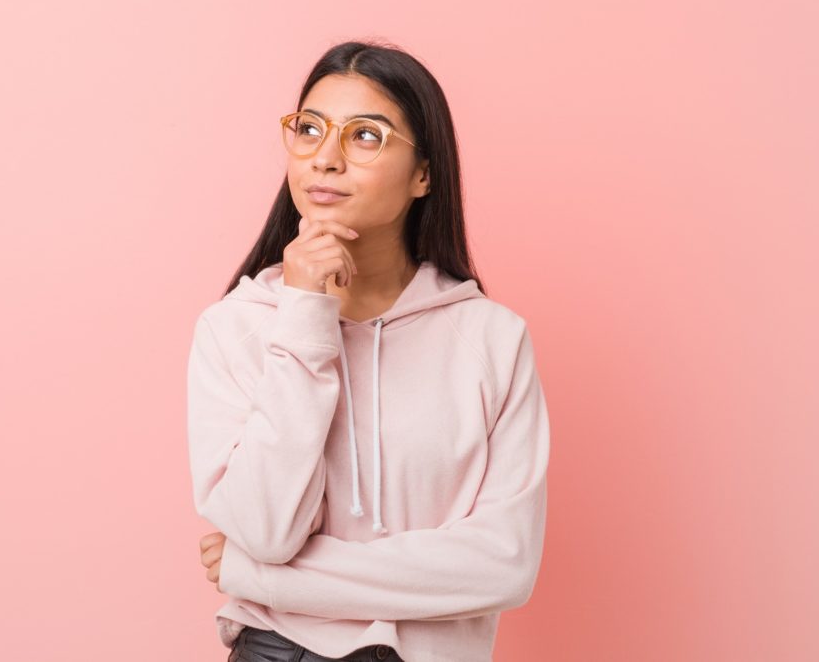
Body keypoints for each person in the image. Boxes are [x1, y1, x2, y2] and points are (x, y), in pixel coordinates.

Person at [187, 39, 551, 662]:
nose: (324, 159)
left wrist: (260, 578)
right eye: (309, 129)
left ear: (424, 173)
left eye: (365, 136)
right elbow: (267, 530)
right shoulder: (234, 329)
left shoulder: (492, 338)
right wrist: (305, 313)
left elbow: (504, 565)